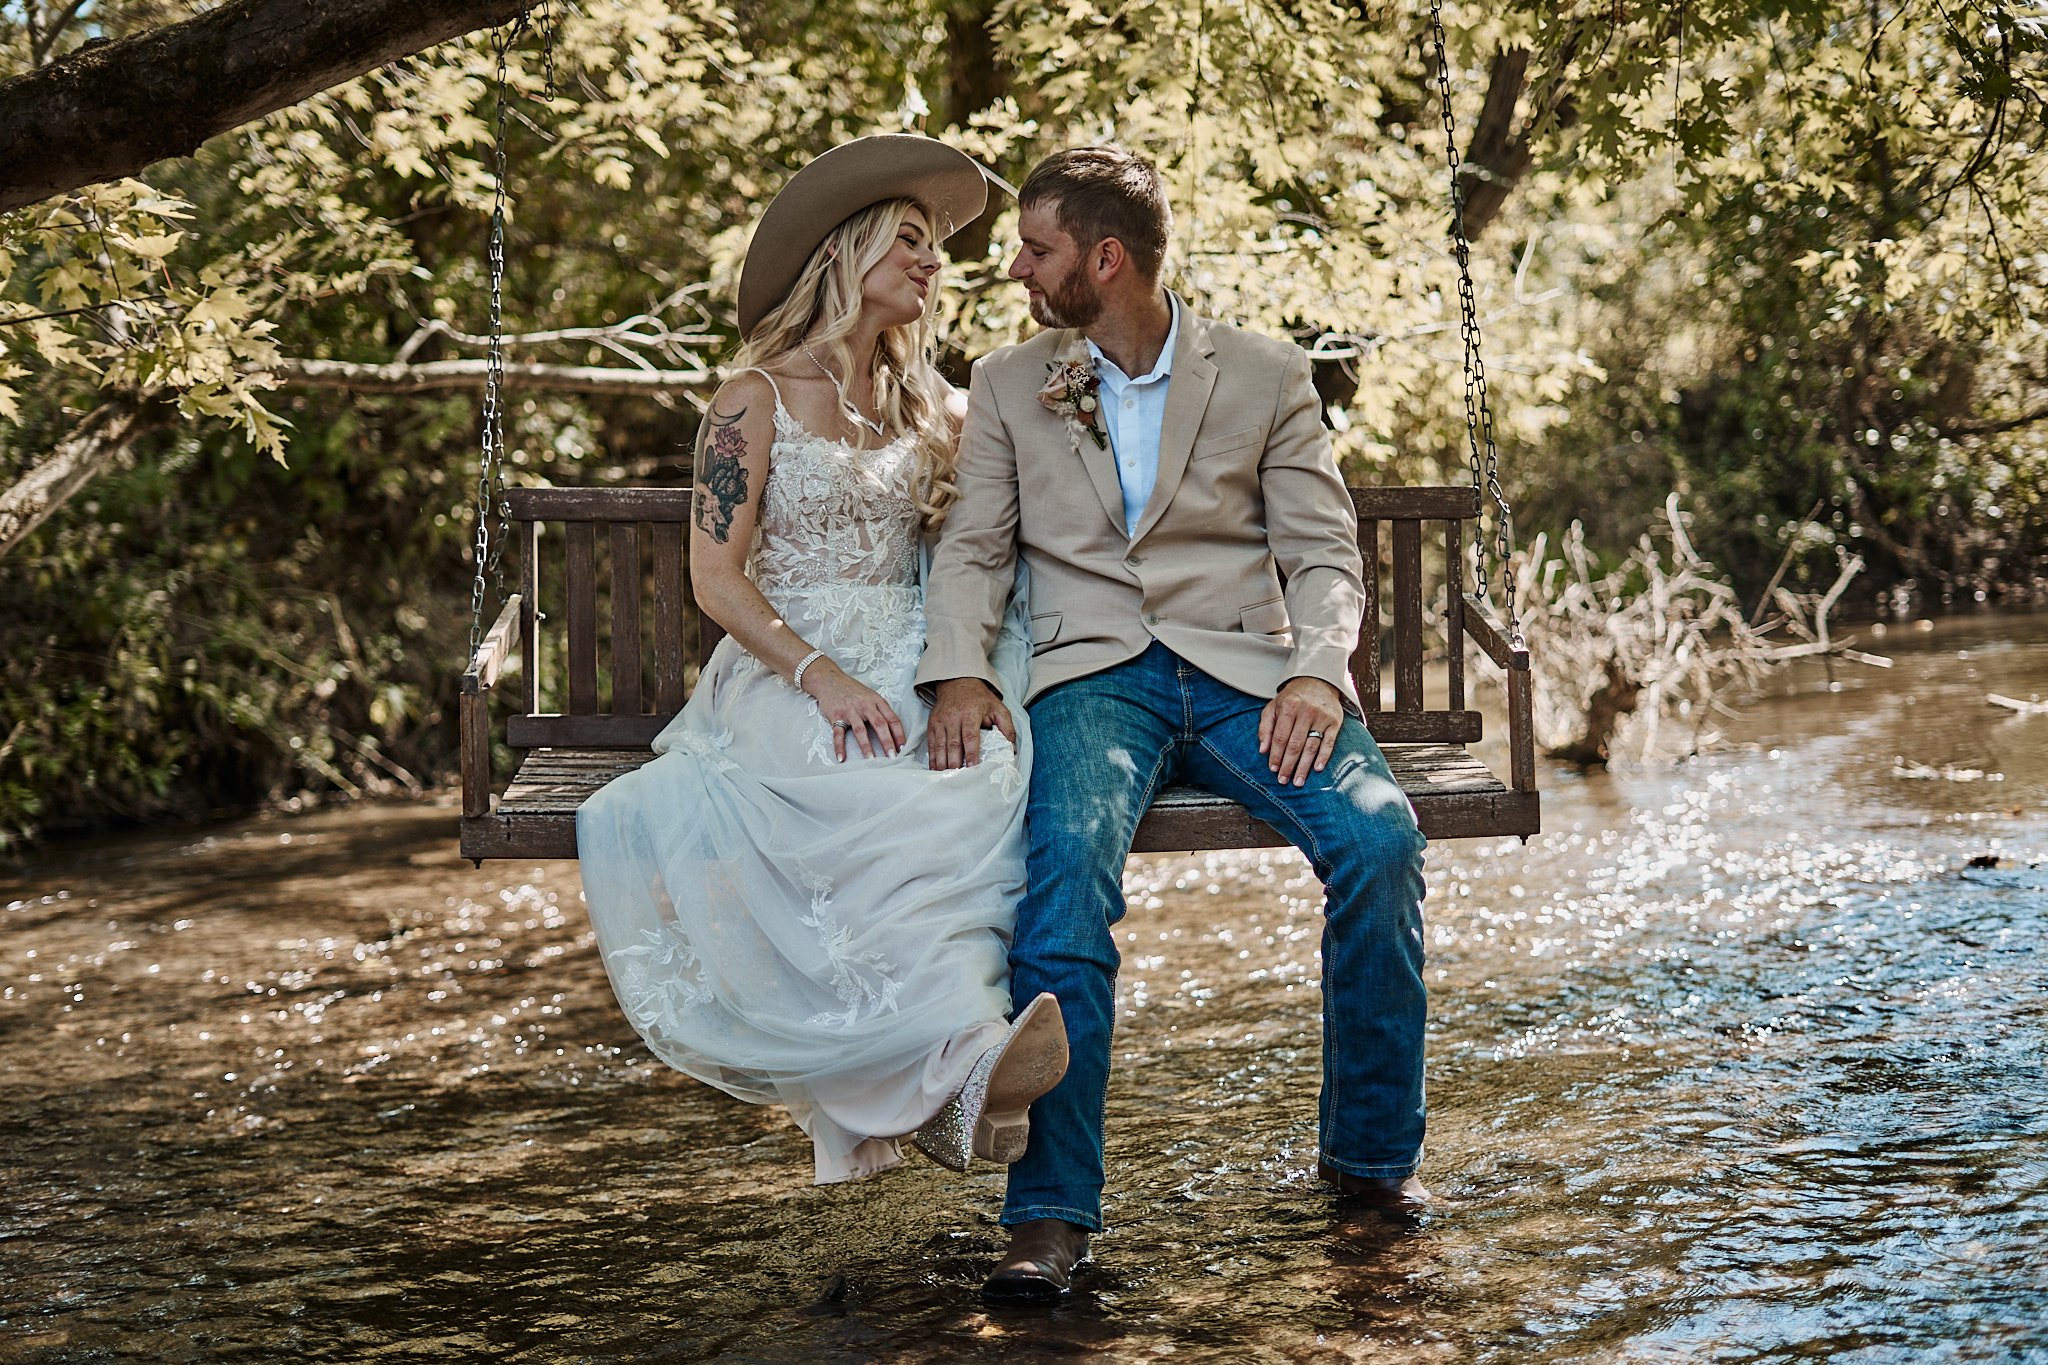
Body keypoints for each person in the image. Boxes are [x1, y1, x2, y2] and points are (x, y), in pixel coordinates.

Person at [918, 146, 1432, 1301]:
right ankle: (1048, 1217)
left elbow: (1320, 548)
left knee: (1380, 842)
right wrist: (957, 671)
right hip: (1095, 676)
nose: (1014, 268)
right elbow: (975, 547)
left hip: (1253, 673)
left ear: (1105, 260)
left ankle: (1367, 1167)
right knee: (1059, 886)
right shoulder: (1010, 381)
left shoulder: (1262, 372)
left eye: (1036, 248)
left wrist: (1314, 672)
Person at [576, 135, 1067, 1187]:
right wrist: (819, 675)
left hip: (910, 656)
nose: (933, 265)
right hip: (788, 670)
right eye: (908, 244)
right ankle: (952, 1062)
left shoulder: (936, 407)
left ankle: (934, 1073)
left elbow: (991, 541)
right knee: (855, 775)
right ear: (846, 254)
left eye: (933, 249)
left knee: (968, 774)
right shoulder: (750, 398)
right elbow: (716, 580)